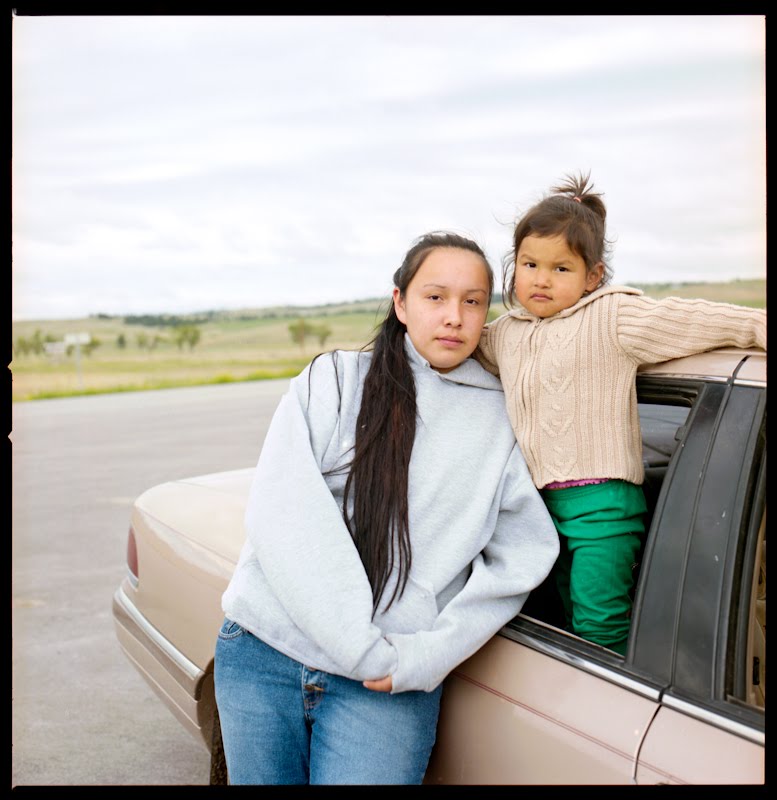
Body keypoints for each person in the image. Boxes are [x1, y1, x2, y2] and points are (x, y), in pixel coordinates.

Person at [214, 231, 560, 785]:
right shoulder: (332, 381)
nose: (454, 316)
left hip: (389, 682)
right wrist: (359, 647)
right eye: (435, 297)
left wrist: (428, 655)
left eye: (473, 301)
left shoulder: (500, 419)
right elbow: (284, 515)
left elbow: (522, 555)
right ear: (399, 302)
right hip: (265, 653)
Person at [477, 172, 767, 657]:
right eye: (530, 264)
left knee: (598, 618)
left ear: (593, 276)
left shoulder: (612, 318)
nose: (541, 279)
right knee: (563, 614)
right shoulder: (506, 333)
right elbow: (460, 350)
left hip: (603, 504)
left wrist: (759, 325)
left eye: (561, 269)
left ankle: (616, 705)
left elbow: (699, 320)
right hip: (539, 508)